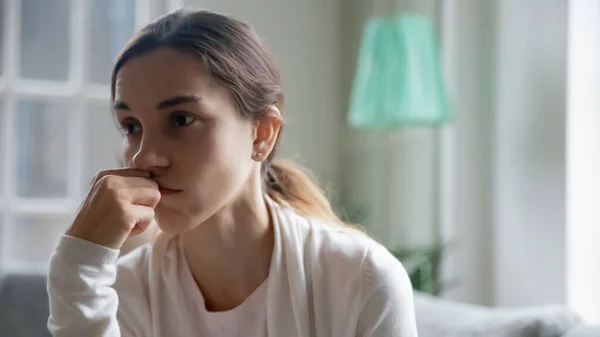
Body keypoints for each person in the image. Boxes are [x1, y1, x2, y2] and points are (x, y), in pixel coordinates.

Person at [47, 8, 418, 337]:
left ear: (262, 133)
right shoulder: (123, 294)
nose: (145, 157)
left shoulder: (362, 279)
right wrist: (76, 270)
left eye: (180, 119)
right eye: (130, 126)